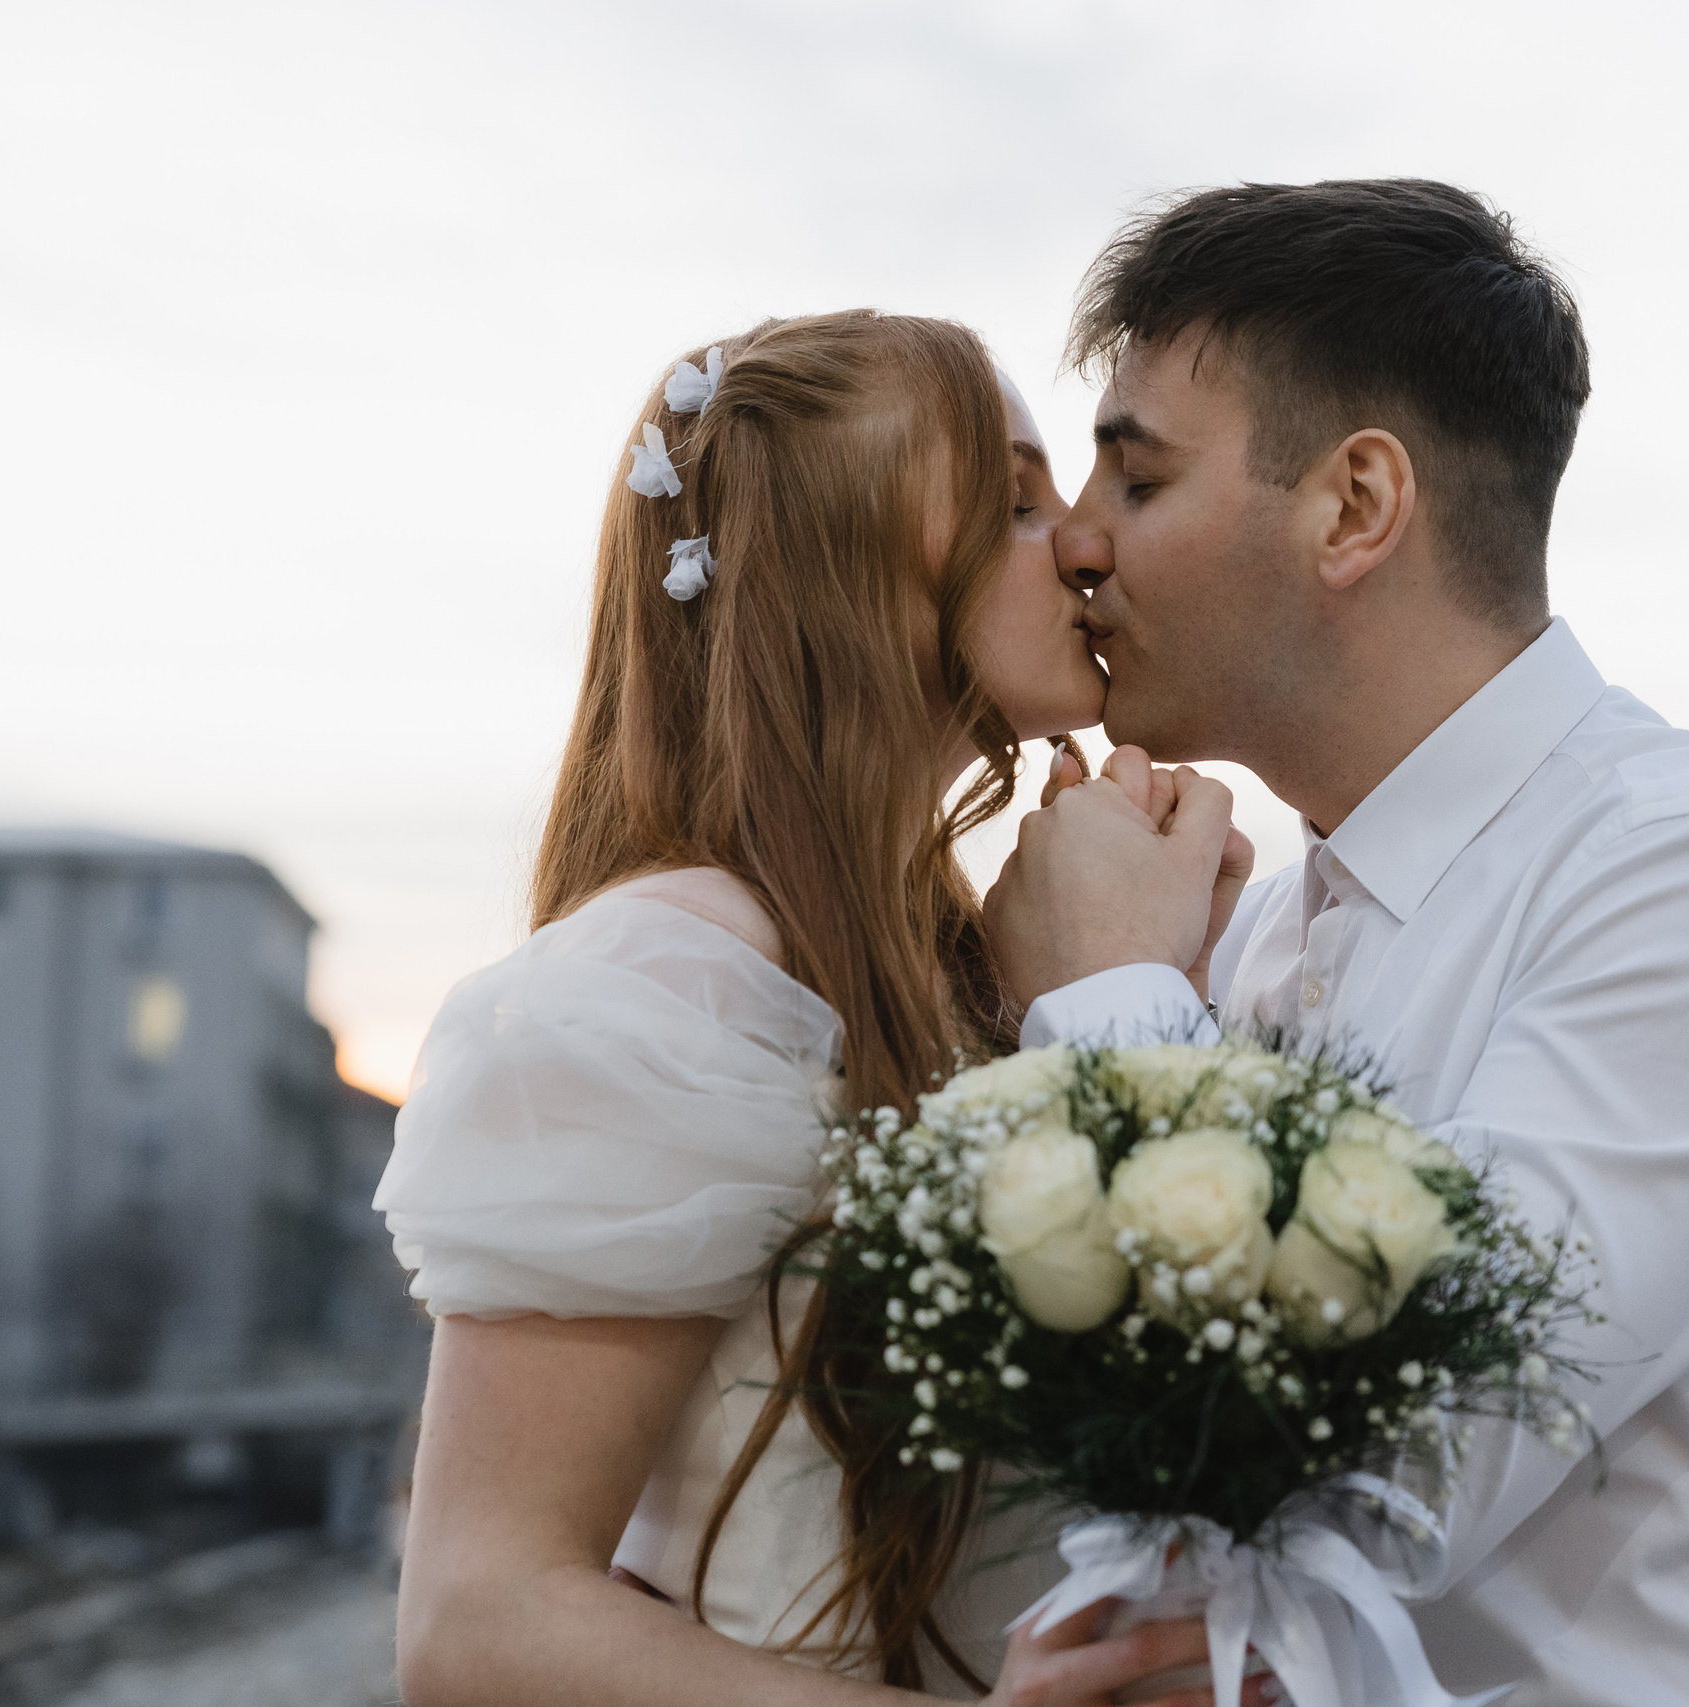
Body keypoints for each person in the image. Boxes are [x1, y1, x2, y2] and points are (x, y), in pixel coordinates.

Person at [984, 180, 1689, 1707]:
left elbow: (1376, 1461)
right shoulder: (1263, 924)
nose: (1077, 544)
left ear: (1356, 507)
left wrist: (1104, 999)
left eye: (1139, 483)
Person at [377, 310, 1265, 1707]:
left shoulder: (937, 951)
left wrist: (1138, 989)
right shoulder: (668, 983)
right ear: (846, 568)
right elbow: (478, 1622)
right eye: (1015, 502)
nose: (1082, 544)